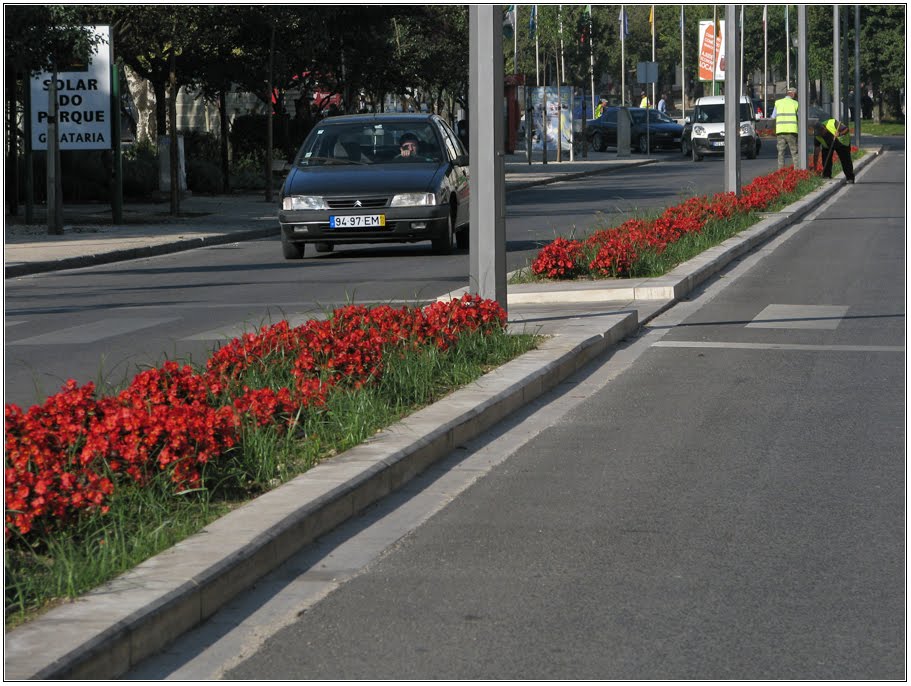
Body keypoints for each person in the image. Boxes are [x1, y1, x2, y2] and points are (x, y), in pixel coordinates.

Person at [813, 117, 855, 183]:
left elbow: (846, 129)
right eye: (819, 134)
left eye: (821, 133)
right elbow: (816, 150)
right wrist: (815, 165)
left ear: (824, 129)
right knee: (826, 157)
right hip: (828, 145)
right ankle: (826, 175)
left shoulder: (832, 123)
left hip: (841, 143)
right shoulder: (817, 136)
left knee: (845, 160)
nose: (820, 135)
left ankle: (850, 177)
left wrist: (839, 134)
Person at [772, 86, 799, 169]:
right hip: (791, 131)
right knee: (794, 152)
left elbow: (773, 117)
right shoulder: (795, 103)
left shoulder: (778, 103)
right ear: (793, 94)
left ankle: (781, 171)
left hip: (780, 132)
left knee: (781, 152)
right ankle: (797, 171)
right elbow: (799, 117)